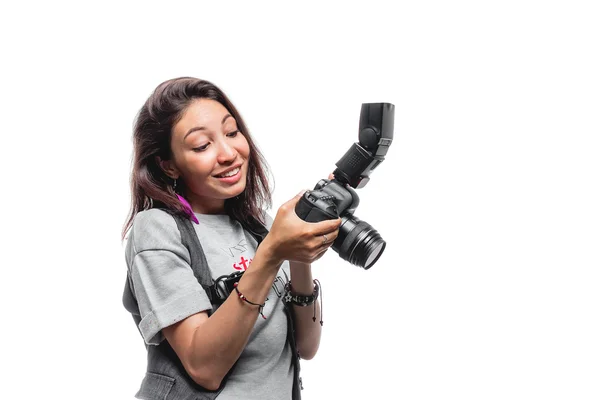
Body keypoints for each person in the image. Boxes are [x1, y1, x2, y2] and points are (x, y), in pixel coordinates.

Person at [121, 77, 342, 400]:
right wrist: (271, 253)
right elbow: (204, 367)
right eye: (202, 145)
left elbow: (306, 347)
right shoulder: (157, 229)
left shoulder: (259, 225)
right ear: (168, 165)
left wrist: (298, 257)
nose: (228, 154)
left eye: (231, 132)